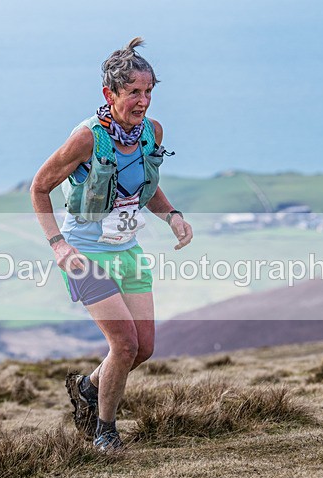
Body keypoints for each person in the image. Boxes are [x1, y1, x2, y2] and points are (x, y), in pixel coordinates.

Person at [30, 37, 193, 452]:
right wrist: (58, 245)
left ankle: (87, 386)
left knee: (143, 349)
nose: (143, 101)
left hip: (128, 251)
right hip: (85, 254)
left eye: (149, 91)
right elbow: (40, 187)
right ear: (110, 93)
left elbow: (145, 187)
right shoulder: (87, 138)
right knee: (123, 345)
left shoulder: (151, 133)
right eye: (134, 92)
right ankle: (104, 430)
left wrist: (172, 215)